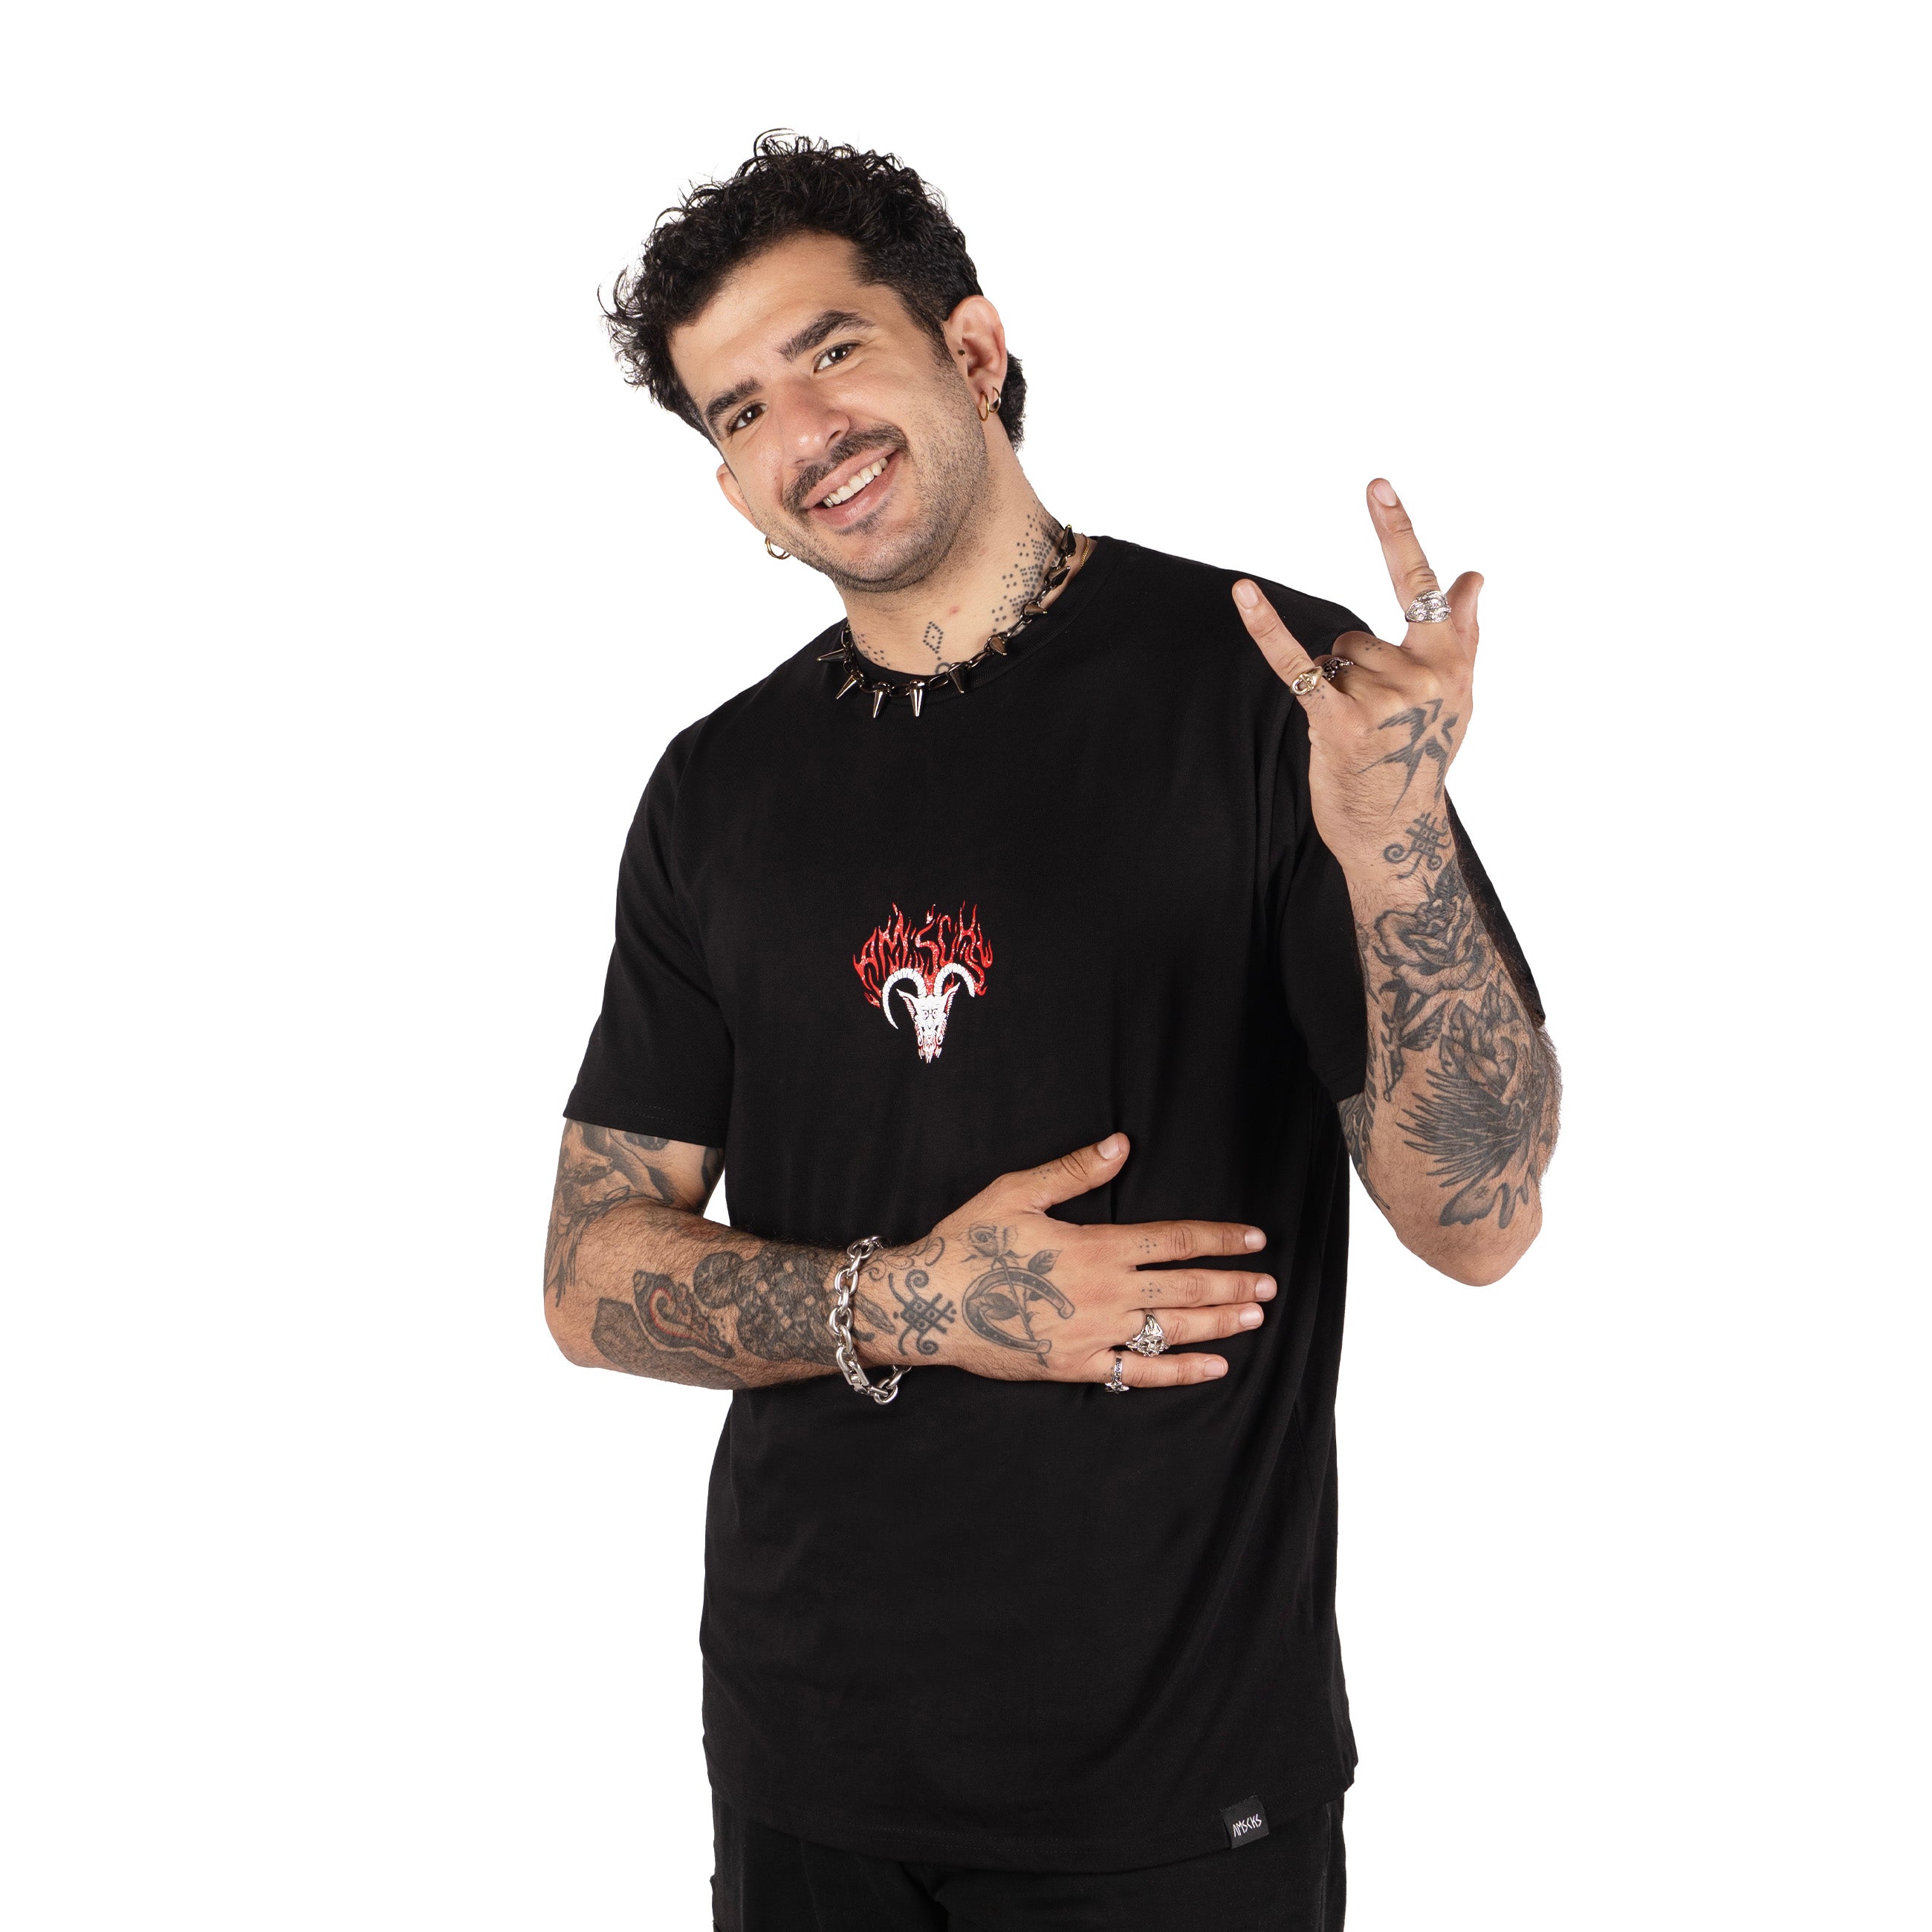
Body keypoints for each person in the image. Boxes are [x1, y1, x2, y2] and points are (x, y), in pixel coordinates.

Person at [545, 132, 1560, 1932]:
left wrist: (1391, 838)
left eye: (832, 349)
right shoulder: (715, 790)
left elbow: (1476, 1220)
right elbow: (590, 1277)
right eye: (739, 410)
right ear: (730, 484)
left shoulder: (1272, 686)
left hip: (1173, 1792)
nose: (801, 431)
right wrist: (912, 1301)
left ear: (973, 346)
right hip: (804, 1771)